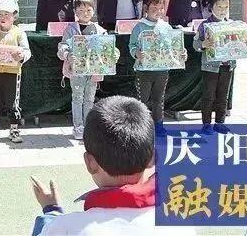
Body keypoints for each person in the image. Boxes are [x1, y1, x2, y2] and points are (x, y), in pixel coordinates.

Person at [30, 96, 196, 236]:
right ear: (153, 158)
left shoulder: (64, 227)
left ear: (90, 163)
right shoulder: (180, 226)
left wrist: (51, 211)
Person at [129, 0, 185, 137]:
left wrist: (181, 54)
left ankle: (159, 125)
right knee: (142, 100)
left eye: (161, 8)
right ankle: (142, 127)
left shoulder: (166, 27)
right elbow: (132, 45)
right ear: (146, 8)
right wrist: (137, 53)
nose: (158, 12)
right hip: (144, 71)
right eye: (154, 8)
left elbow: (174, 46)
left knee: (158, 99)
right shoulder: (139, 27)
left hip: (162, 71)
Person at [57, 0, 108, 140]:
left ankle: (88, 127)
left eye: (88, 10)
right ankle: (78, 127)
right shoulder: (71, 29)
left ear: (93, 11)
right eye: (81, 11)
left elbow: (107, 48)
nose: (85, 13)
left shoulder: (100, 30)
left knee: (90, 98)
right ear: (75, 12)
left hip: (93, 71)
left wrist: (112, 55)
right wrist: (68, 55)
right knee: (77, 98)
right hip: (77, 71)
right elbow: (62, 46)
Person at [0, 0, 32, 145]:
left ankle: (14, 129)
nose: (3, 17)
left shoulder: (19, 33)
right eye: (0, 14)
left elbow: (27, 51)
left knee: (12, 102)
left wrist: (22, 56)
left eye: (6, 14)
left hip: (13, 72)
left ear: (14, 16)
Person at [193, 0, 235, 135]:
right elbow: (195, 44)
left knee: (223, 95)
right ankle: (206, 124)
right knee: (209, 95)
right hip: (210, 67)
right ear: (211, 7)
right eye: (219, 7)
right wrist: (203, 44)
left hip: (227, 65)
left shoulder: (232, 25)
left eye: (226, 7)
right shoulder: (205, 25)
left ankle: (220, 122)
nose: (223, 10)